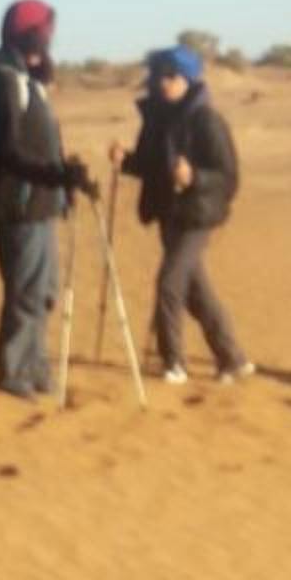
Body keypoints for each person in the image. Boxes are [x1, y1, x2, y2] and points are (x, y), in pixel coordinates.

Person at [0, 0, 97, 399]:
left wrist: (67, 179)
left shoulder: (28, 79)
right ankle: (13, 369)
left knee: (44, 289)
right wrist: (58, 174)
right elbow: (12, 151)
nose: (50, 38)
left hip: (43, 202)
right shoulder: (4, 80)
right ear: (29, 35)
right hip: (19, 202)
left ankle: (35, 364)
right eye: (45, 30)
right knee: (26, 290)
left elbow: (40, 143)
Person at [118, 44, 254, 384]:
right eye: (159, 75)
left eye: (172, 76)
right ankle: (232, 359)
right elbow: (151, 165)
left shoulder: (207, 120)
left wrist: (195, 177)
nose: (164, 82)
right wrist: (126, 161)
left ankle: (173, 363)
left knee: (168, 285)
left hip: (198, 215)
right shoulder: (157, 118)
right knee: (195, 290)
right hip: (169, 214)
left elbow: (228, 176)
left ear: (188, 80)